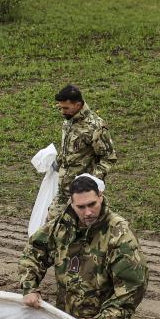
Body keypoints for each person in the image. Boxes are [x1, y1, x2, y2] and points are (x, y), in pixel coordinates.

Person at [18, 174, 149, 319]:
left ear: (100, 196)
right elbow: (33, 253)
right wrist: (29, 287)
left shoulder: (118, 234)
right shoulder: (61, 227)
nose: (88, 212)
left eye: (92, 204)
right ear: (71, 204)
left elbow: (133, 287)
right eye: (81, 207)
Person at [48, 84, 116, 222]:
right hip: (63, 189)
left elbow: (108, 158)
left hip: (83, 194)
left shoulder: (95, 126)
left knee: (82, 229)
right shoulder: (69, 121)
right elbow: (70, 149)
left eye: (65, 108)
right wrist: (58, 162)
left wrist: (91, 181)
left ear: (78, 104)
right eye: (60, 107)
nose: (62, 111)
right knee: (51, 226)